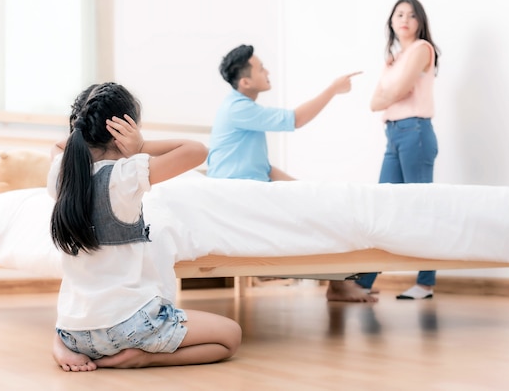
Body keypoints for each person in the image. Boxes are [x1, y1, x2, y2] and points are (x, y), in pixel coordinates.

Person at [49, 82, 242, 372]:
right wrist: (140, 147)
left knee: (87, 324)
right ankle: (144, 357)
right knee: (231, 336)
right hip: (129, 324)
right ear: (123, 131)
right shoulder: (126, 176)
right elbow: (197, 150)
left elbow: (57, 147)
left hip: (74, 333)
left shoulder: (60, 174)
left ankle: (59, 344)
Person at [206, 44, 373, 302]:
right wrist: (332, 89)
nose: (267, 71)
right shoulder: (238, 109)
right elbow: (295, 119)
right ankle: (338, 285)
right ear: (246, 81)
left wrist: (306, 188)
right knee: (320, 214)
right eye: (261, 68)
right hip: (239, 196)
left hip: (250, 189)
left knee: (323, 203)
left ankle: (338, 283)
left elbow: (263, 168)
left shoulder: (239, 108)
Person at [358, 0, 441, 300]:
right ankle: (363, 283)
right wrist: (388, 95)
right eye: (399, 14)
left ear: (420, 21)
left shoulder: (421, 50)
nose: (404, 19)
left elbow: (397, 91)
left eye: (411, 15)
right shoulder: (392, 60)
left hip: (415, 131)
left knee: (420, 208)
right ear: (391, 22)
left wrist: (387, 95)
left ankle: (425, 283)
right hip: (393, 135)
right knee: (382, 208)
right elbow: (374, 102)